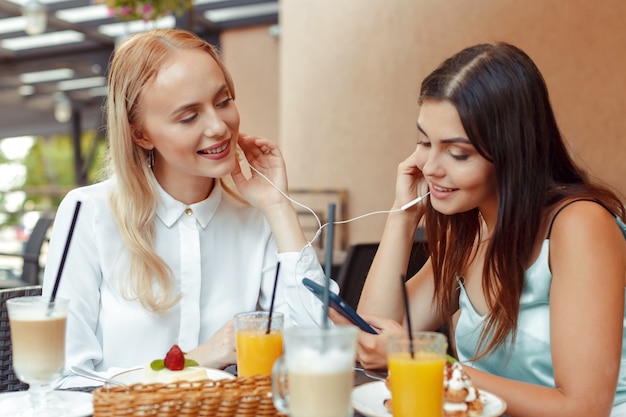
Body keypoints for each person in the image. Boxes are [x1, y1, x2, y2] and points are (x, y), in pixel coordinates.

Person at [332, 42, 626, 417]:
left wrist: (425, 362)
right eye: (424, 142)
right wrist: (402, 215)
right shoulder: (469, 236)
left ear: (512, 153)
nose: (431, 167)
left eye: (457, 153)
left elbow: (583, 407)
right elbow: (377, 339)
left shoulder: (580, 226)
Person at [42, 28, 335, 385]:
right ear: (141, 134)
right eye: (188, 116)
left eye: (223, 101)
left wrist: (277, 205)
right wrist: (193, 361)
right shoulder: (88, 213)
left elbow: (319, 348)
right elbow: (57, 382)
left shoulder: (256, 218)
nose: (218, 126)